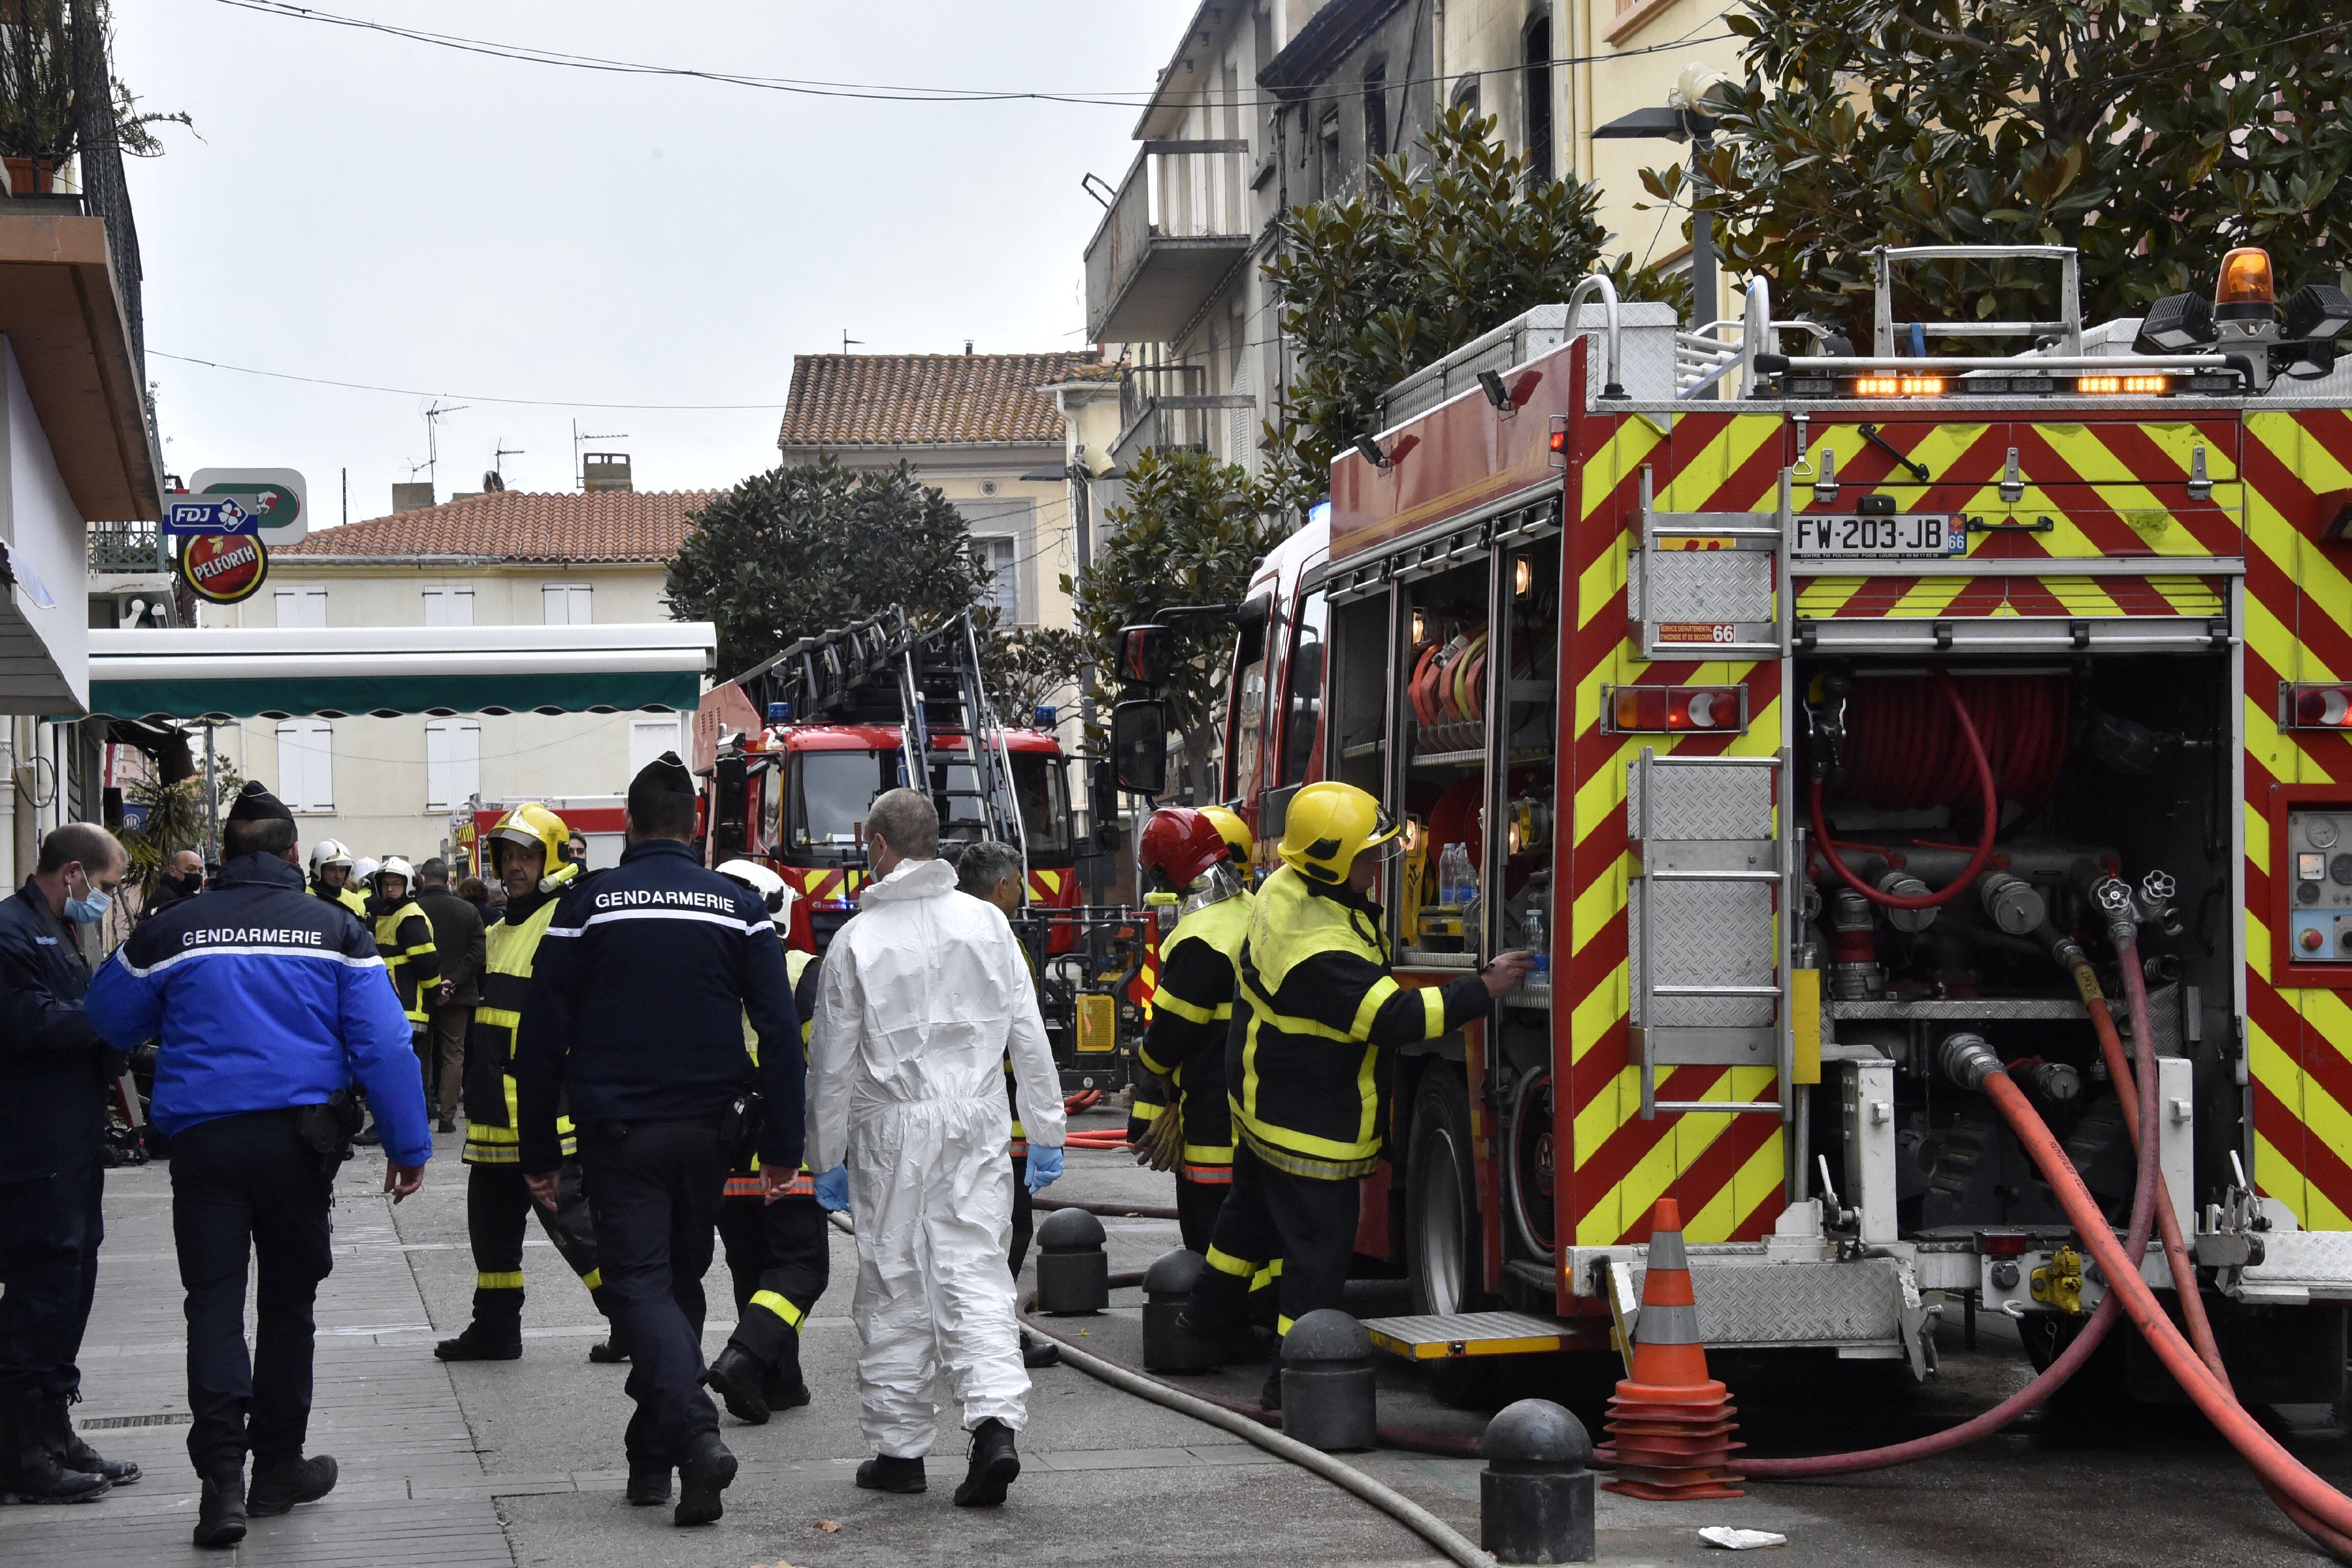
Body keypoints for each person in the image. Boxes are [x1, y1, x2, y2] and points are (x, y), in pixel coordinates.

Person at [87, 781, 431, 1549]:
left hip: (205, 1147)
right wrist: (408, 1147)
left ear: (222, 859)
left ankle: (220, 1487)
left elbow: (106, 1016)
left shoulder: (173, 930)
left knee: (211, 1305)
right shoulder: (337, 932)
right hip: (296, 1149)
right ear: (291, 857)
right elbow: (383, 1046)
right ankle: (278, 1468)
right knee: (287, 1306)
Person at [514, 754, 801, 1528]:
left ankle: (696, 1436)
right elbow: (778, 1033)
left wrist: (536, 1152)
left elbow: (541, 1038)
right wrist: (784, 1143)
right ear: (695, 827)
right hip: (712, 1136)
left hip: (620, 1136)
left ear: (630, 826)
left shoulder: (586, 906)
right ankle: (652, 1462)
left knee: (640, 1286)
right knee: (678, 1285)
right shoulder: (737, 907)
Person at [1180, 782, 1527, 1410]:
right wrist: (1484, 988)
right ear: (1329, 863)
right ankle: (1293, 1385)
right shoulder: (1319, 949)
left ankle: (1200, 1327)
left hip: (1270, 1107)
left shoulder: (1286, 887)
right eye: (1367, 859)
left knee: (1244, 1225)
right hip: (1307, 1122)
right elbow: (1395, 1017)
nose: (1377, 869)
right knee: (1316, 1261)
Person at [807, 790, 1066, 1508]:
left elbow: (832, 1061)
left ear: (882, 845)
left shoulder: (857, 942)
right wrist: (1044, 1130)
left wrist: (824, 1154)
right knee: (976, 1272)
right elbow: (1029, 1035)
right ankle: (994, 1429)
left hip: (892, 1129)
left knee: (895, 1281)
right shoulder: (988, 925)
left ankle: (900, 1453)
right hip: (977, 1123)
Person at [435, 803, 624, 1366]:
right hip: (495, 1108)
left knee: (576, 1229)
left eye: (526, 856)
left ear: (554, 856)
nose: (514, 867)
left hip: (542, 1110)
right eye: (506, 856)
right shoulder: (499, 928)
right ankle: (495, 1328)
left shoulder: (566, 918)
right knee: (490, 1228)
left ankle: (633, 1319)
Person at [0, 823, 134, 1504]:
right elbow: (28, 1022)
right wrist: (114, 1021)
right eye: (107, 887)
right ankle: (22, 1451)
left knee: (73, 1278)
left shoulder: (57, 930)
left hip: (72, 1145)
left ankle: (54, 1428)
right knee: (39, 1289)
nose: (106, 901)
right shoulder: (11, 933)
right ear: (75, 872)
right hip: (32, 1146)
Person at [703, 861, 828, 1425]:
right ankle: (746, 1359)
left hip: (723, 1145)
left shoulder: (700, 970)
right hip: (784, 1144)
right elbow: (827, 1063)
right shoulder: (802, 972)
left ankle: (781, 1381)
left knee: (751, 1265)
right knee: (801, 1267)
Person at [950, 839, 1066, 1372]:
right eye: (1019, 881)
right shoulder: (1003, 943)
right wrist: (1047, 1127)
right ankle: (996, 1335)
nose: (1021, 891)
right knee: (1009, 1227)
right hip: (999, 1107)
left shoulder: (936, 932)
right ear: (1002, 886)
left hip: (932, 1110)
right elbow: (1028, 1039)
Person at [1125, 807, 1253, 1254]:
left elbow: (1168, 1039)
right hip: (1256, 1112)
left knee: (1210, 1243)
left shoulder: (1200, 936)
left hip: (1212, 1122)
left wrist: (1147, 1067)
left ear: (1164, 873)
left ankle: (1221, 1323)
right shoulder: (1253, 912)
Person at [355, 858, 438, 1146]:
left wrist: (435, 992)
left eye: (397, 884)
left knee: (396, 1071)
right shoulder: (389, 914)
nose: (391, 890)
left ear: (410, 885)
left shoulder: (410, 916)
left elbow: (427, 963)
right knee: (400, 1070)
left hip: (408, 1007)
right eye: (387, 884)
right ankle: (403, 1124)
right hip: (393, 1005)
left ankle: (393, 1126)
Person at [415, 858, 484, 1137]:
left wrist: (432, 984)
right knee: (454, 1054)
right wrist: (453, 980)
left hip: (420, 995)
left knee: (420, 1053)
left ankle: (420, 1112)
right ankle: (447, 1116)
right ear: (448, 880)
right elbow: (478, 952)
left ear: (422, 879)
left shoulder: (412, 911)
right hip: (459, 993)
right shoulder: (468, 911)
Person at [142, 848, 208, 924]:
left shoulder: (190, 896)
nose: (197, 873)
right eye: (191, 869)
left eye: (200, 870)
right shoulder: (163, 898)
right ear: (173, 870)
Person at [306, 841, 364, 917]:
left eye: (342, 870)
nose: (338, 876)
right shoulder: (302, 896)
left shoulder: (356, 902)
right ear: (318, 869)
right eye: (332, 870)